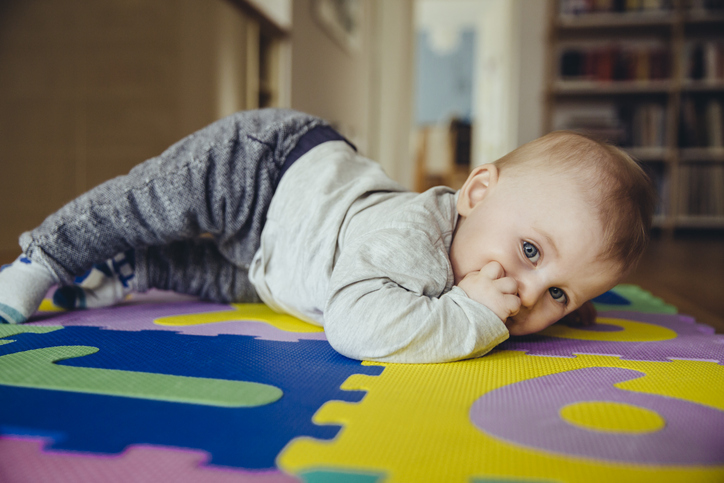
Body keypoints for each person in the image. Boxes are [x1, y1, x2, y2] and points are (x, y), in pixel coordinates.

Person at [0, 109, 656, 363]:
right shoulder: (412, 236)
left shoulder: (501, 271)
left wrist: (566, 295)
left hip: (287, 259)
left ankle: (128, 273)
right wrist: (468, 315)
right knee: (145, 202)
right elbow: (355, 328)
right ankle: (46, 257)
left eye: (559, 294)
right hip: (265, 168)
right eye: (531, 252)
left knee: (225, 279)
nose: (524, 292)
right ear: (477, 192)